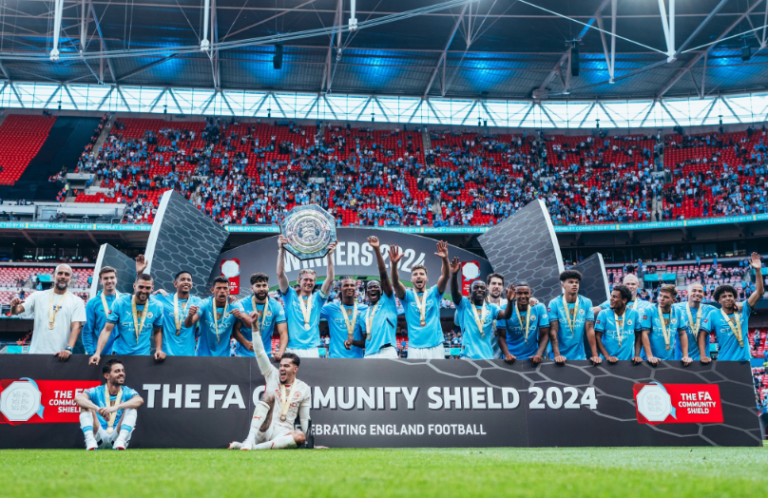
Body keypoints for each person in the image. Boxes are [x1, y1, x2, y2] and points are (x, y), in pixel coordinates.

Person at [228, 320, 310, 450]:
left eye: (286, 366)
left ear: (295, 369)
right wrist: (255, 327)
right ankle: (249, 439)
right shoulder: (272, 373)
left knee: (300, 436)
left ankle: (252, 447)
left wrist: (310, 444)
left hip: (283, 433)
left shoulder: (304, 388)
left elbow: (305, 418)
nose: (282, 368)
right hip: (265, 428)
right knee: (268, 396)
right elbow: (259, 352)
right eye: (281, 365)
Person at [276, 235, 337, 357]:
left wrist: (330, 255)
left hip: (312, 349)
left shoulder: (318, 299)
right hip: (292, 348)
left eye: (312, 280)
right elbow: (280, 274)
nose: (309, 282)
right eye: (306, 280)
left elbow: (330, 279)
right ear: (299, 281)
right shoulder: (290, 296)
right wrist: (282, 249)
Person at [10, 264, 86, 360]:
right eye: (60, 273)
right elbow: (16, 311)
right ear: (54, 276)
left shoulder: (77, 301)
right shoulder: (37, 296)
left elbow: (76, 327)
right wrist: (14, 306)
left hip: (61, 355)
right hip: (37, 353)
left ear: (70, 278)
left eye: (66, 274)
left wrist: (68, 349)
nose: (63, 276)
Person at [390, 241, 451, 359]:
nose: (418, 276)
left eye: (422, 274)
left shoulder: (434, 293)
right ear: (411, 279)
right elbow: (396, 283)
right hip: (414, 348)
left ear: (426, 278)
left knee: (438, 377)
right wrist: (394, 265)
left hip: (436, 345)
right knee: (416, 377)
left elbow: (445, 276)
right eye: (415, 274)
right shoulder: (407, 296)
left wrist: (445, 259)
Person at [89, 274, 165, 364]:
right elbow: (107, 330)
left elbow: (158, 331)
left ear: (152, 288)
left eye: (147, 288)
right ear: (134, 286)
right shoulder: (120, 303)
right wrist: (97, 353)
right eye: (141, 287)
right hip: (120, 354)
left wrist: (158, 349)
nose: (144, 291)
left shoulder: (157, 306)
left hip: (143, 355)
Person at [702, 252, 764, 362]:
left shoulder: (744, 309)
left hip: (744, 362)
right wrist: (703, 355)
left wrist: (758, 270)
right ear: (719, 300)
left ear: (734, 297)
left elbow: (759, 291)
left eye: (730, 295)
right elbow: (702, 334)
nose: (728, 298)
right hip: (724, 362)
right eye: (724, 296)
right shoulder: (713, 314)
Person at [345, 237, 399, 358]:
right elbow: (366, 341)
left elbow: (384, 275)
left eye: (376, 286)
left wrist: (376, 249)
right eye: (369, 287)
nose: (372, 289)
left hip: (387, 351)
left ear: (382, 290)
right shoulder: (364, 314)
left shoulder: (387, 302)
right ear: (366, 292)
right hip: (369, 354)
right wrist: (352, 342)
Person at [449, 257, 514, 359]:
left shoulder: (492, 308)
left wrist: (510, 301)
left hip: (487, 357)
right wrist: (454, 275)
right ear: (470, 292)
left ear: (486, 291)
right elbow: (454, 292)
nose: (479, 289)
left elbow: (506, 315)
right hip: (467, 357)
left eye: (482, 288)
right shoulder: (464, 305)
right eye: (476, 287)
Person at [75, 359, 144, 450]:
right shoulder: (97, 390)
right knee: (85, 405)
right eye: (117, 371)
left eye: (122, 371)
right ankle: (90, 441)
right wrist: (97, 409)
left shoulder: (127, 391)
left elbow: (139, 400)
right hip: (98, 436)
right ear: (107, 376)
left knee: (132, 406)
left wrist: (116, 407)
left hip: (117, 436)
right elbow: (78, 398)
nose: (121, 373)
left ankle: (120, 441)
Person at [185, 276, 250, 357]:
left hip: (224, 356)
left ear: (229, 290)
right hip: (202, 355)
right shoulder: (204, 304)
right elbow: (188, 324)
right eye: (218, 288)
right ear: (212, 290)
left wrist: (241, 316)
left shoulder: (234, 304)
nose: (222, 291)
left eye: (225, 288)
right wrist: (190, 315)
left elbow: (250, 325)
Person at [547, 270, 600, 365]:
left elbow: (590, 330)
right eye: (571, 282)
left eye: (576, 282)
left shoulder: (586, 302)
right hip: (557, 357)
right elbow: (553, 330)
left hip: (579, 356)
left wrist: (595, 355)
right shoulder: (554, 303)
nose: (574, 285)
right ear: (563, 285)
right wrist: (557, 355)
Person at [235, 273, 288, 360]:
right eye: (258, 286)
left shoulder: (276, 306)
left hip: (265, 354)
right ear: (252, 288)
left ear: (268, 287)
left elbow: (283, 333)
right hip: (243, 354)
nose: (262, 289)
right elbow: (236, 329)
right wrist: (246, 343)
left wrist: (281, 352)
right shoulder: (242, 304)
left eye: (264, 285)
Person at [498, 281, 550, 364]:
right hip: (510, 359)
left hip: (532, 358)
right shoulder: (504, 309)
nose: (523, 296)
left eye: (526, 293)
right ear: (515, 294)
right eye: (519, 293)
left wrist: (539, 354)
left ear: (530, 294)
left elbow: (545, 334)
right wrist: (507, 354)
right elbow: (501, 336)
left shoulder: (539, 308)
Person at [153, 271, 203, 356]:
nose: (186, 282)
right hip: (167, 355)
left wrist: (230, 297)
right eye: (183, 279)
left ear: (192, 284)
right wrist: (154, 292)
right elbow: (139, 299)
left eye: (189, 280)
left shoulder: (198, 302)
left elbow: (214, 305)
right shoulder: (164, 298)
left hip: (189, 355)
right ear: (175, 284)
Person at [640, 284, 691, 365]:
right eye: (660, 295)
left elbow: (682, 333)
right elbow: (644, 333)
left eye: (666, 297)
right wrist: (650, 356)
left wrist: (685, 356)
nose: (661, 299)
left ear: (673, 301)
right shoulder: (649, 310)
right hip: (649, 359)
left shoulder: (677, 311)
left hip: (669, 359)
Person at [594, 284, 643, 363]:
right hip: (606, 362)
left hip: (627, 362)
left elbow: (639, 336)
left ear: (624, 300)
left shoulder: (634, 314)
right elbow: (597, 336)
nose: (611, 299)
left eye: (615, 297)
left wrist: (636, 356)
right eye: (611, 296)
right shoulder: (603, 314)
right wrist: (607, 357)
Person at [321, 276, 366, 358]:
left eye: (352, 285)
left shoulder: (364, 309)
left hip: (357, 359)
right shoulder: (330, 308)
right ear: (340, 289)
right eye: (346, 285)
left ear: (355, 288)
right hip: (335, 358)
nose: (349, 287)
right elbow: (312, 312)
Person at [82, 266, 120, 355]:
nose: (109, 281)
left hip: (122, 353)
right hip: (101, 354)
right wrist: (92, 353)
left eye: (112, 277)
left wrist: (160, 293)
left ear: (116, 279)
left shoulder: (124, 300)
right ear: (100, 281)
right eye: (105, 278)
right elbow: (87, 330)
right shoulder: (93, 303)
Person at [674, 282, 717, 361]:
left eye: (700, 291)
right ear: (687, 292)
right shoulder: (676, 308)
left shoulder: (711, 310)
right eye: (694, 290)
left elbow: (726, 313)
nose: (697, 293)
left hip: (703, 360)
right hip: (681, 359)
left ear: (703, 294)